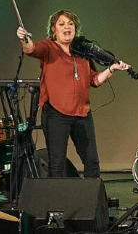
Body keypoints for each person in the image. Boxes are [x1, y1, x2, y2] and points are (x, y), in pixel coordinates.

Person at [17, 10, 129, 178]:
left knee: (92, 162)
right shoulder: (48, 47)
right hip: (56, 114)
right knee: (57, 163)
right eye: (62, 24)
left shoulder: (82, 51)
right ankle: (58, 203)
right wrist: (24, 38)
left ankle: (93, 202)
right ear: (53, 29)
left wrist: (111, 69)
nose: (67, 27)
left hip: (82, 114)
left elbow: (95, 80)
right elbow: (32, 48)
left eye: (70, 24)